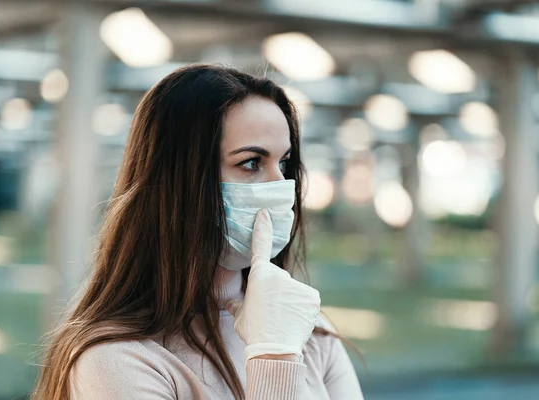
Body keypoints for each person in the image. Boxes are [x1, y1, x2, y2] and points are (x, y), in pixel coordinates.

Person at [33, 64, 364, 399]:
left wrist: (282, 337)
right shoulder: (116, 360)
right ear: (180, 183)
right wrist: (274, 356)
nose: (281, 186)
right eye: (251, 163)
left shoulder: (309, 329)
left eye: (284, 163)